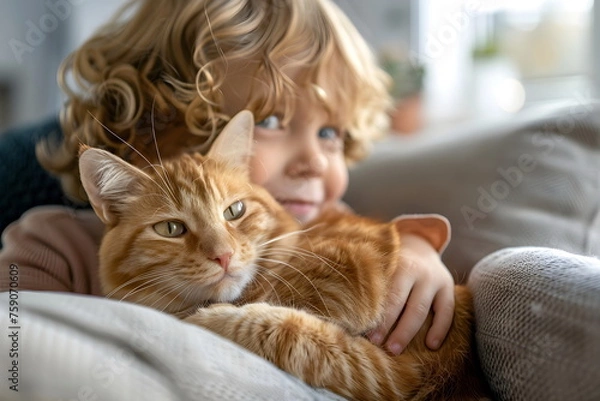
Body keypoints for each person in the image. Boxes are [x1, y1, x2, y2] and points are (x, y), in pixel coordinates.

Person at [0, 0, 455, 357]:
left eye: (330, 132)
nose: (314, 161)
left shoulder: (315, 225)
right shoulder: (51, 246)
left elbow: (375, 245)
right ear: (149, 122)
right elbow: (16, 357)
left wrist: (415, 251)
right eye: (272, 121)